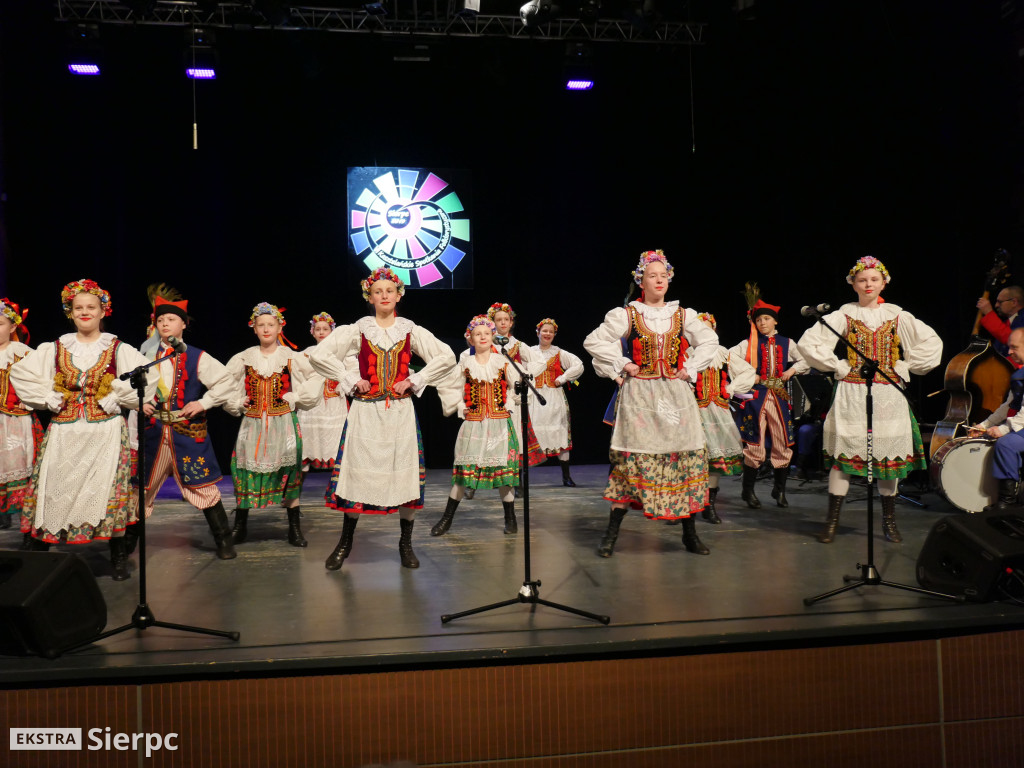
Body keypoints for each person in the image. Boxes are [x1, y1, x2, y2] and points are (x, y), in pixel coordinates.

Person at [309, 267, 457, 571]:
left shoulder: (410, 329)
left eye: (390, 290)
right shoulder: (359, 329)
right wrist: (349, 379)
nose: (384, 295)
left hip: (400, 412)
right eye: (378, 292)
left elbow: (446, 356)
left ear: (399, 294)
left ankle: (405, 544)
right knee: (358, 474)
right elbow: (320, 356)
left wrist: (416, 380)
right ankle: (345, 542)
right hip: (366, 411)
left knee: (403, 476)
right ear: (370, 297)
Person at [10, 279, 156, 580]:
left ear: (103, 311)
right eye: (78, 308)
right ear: (70, 312)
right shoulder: (56, 347)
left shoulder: (118, 348)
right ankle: (40, 554)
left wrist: (117, 397)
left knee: (108, 492)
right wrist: (47, 397)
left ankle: (117, 555)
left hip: (106, 431)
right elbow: (22, 374)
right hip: (65, 430)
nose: (85, 312)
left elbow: (147, 379)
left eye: (91, 307)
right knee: (54, 487)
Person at [583, 249, 719, 557]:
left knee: (682, 459)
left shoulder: (683, 314)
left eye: (663, 276)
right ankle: (611, 534)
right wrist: (622, 362)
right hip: (640, 397)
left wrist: (691, 367)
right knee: (631, 462)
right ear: (640, 280)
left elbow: (710, 341)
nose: (659, 280)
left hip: (675, 395)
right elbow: (593, 341)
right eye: (652, 275)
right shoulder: (627, 314)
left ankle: (689, 533)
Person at [797, 255, 942, 543]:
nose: (868, 284)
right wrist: (838, 365)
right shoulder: (843, 315)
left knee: (888, 456)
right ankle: (832, 520)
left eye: (874, 279)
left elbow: (931, 343)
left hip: (888, 392)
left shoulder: (897, 315)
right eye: (862, 279)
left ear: (884, 282)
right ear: (853, 284)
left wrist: (903, 366)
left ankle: (889, 520)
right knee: (845, 456)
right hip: (852, 392)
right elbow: (808, 343)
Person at [140, 296, 238, 560]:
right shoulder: (145, 356)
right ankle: (123, 549)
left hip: (186, 434)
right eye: (160, 320)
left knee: (203, 486)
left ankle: (224, 541)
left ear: (183, 324)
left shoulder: (197, 357)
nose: (164, 324)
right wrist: (140, 403)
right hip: (154, 433)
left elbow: (226, 382)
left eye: (171, 319)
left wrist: (203, 402)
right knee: (139, 489)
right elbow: (126, 386)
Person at [224, 302, 323, 548]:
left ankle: (294, 529)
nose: (266, 329)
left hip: (283, 424)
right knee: (244, 473)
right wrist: (237, 401)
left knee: (290, 474)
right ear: (254, 328)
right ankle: (240, 526)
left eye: (271, 324)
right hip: (253, 424)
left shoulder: (290, 357)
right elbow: (224, 383)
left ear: (280, 327)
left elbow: (316, 375)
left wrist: (297, 397)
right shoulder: (245, 357)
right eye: (261, 325)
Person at [432, 315, 520, 536]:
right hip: (474, 425)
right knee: (463, 474)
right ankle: (446, 519)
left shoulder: (503, 361)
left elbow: (516, 386)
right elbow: (451, 387)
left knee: (503, 476)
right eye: (478, 334)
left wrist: (508, 404)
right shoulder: (466, 363)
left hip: (499, 423)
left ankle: (510, 518)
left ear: (493, 337)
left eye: (487, 333)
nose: (483, 337)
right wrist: (462, 407)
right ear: (470, 339)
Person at [729, 288, 809, 509]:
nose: (762, 323)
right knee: (755, 442)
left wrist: (791, 371)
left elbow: (805, 359)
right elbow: (730, 357)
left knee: (782, 442)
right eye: (759, 319)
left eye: (766, 318)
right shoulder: (749, 344)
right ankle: (748, 491)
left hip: (779, 398)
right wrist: (750, 375)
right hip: (757, 397)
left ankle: (779, 490)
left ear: (775, 321)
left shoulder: (787, 343)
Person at [688, 312, 757, 524]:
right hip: (691, 413)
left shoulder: (722, 353)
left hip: (717, 413)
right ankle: (685, 507)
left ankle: (708, 506)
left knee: (714, 462)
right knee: (688, 460)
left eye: (708, 327)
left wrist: (731, 388)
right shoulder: (686, 353)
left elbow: (748, 372)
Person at [970, 326, 1024, 509]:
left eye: (1014, 347)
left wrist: (1002, 429)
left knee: (1006, 443)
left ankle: (1008, 501)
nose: (1009, 352)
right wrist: (984, 426)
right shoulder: (1019, 375)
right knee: (990, 438)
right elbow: (1007, 407)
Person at [0, 298, 41, 534]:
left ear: (13, 326)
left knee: (18, 463)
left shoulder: (22, 353)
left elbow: (39, 383)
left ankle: (27, 519)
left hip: (16, 421)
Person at [528, 318, 584, 487]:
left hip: (554, 398)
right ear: (538, 332)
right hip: (535, 398)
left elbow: (578, 365)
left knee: (559, 432)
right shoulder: (529, 352)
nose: (547, 334)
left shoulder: (559, 353)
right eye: (544, 331)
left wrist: (563, 378)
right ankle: (520, 481)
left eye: (551, 332)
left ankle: (566, 476)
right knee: (530, 434)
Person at [298, 312, 347, 471]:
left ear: (332, 331)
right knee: (308, 441)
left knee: (336, 442)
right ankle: (294, 491)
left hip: (334, 401)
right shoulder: (306, 353)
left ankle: (337, 490)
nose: (321, 332)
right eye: (317, 328)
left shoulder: (340, 352)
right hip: (314, 404)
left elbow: (351, 372)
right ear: (312, 331)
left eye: (325, 329)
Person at [977, 284, 1024, 358]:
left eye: (1000, 302)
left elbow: (1012, 339)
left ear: (1014, 302)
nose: (996, 305)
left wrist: (989, 314)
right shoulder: (1007, 323)